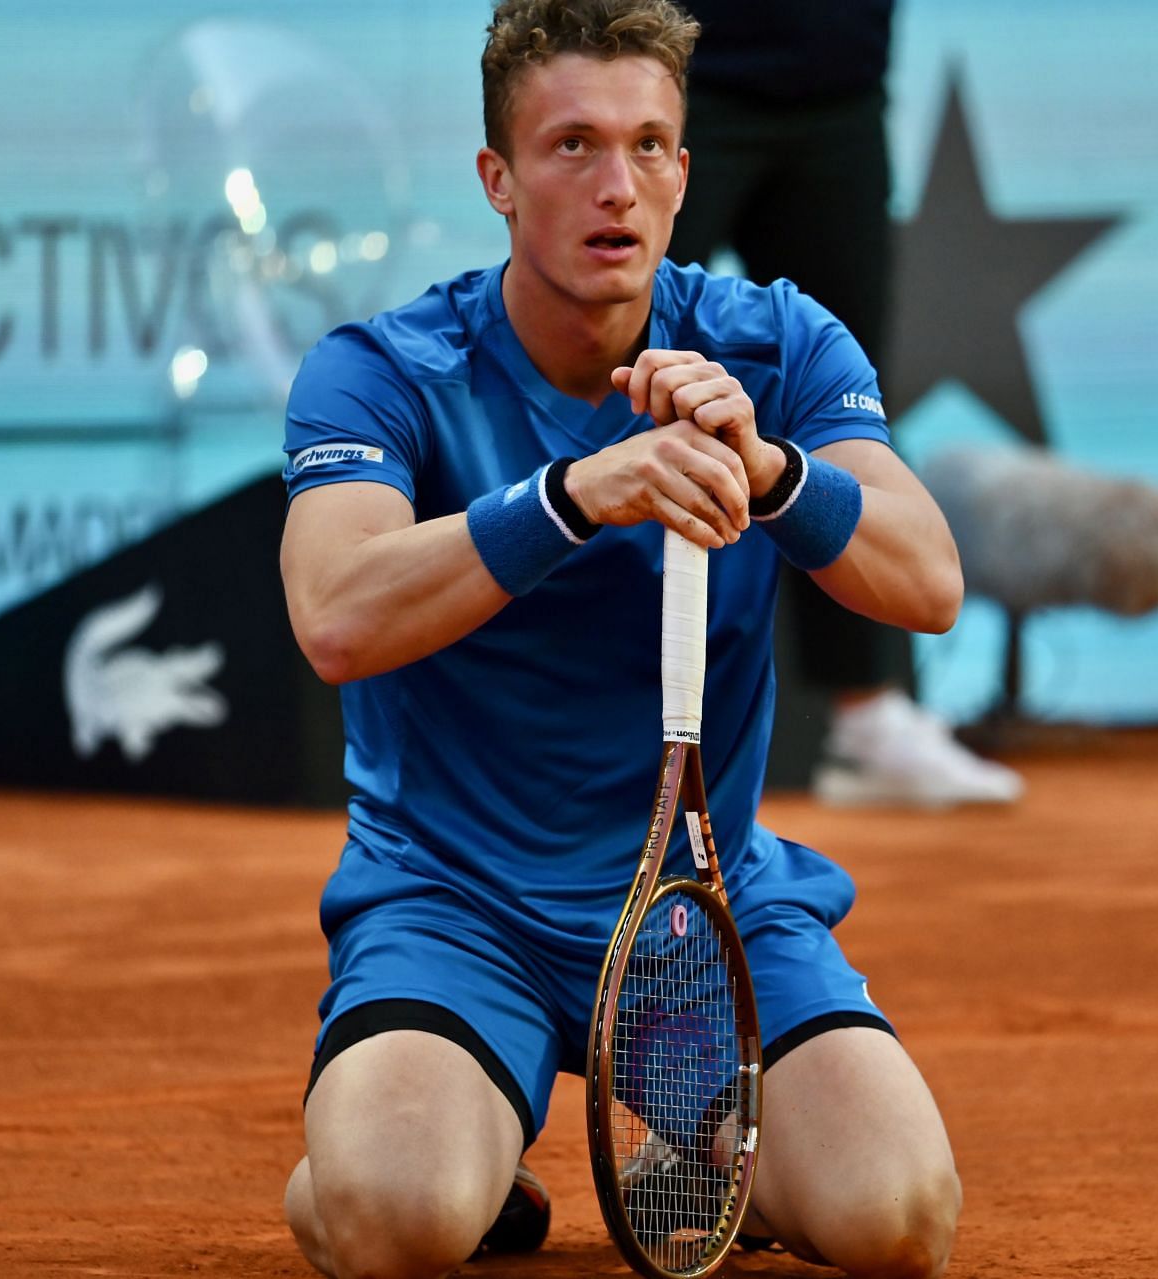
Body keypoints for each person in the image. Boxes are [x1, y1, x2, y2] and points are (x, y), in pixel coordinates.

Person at [276, 2, 961, 1277]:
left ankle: (707, 1157)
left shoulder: (776, 346)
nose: (617, 186)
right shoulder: (383, 370)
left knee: (898, 1216)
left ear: (686, 171)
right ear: (497, 177)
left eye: (650, 147)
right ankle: (440, 1164)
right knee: (397, 1220)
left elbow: (925, 584)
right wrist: (575, 496)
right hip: (456, 910)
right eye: (572, 146)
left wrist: (771, 470)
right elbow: (335, 615)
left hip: (704, 916)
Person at [667, 0, 1023, 809]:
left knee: (842, 395)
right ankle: (594, 713)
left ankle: (867, 719)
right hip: (678, 76)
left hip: (840, 85)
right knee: (630, 383)